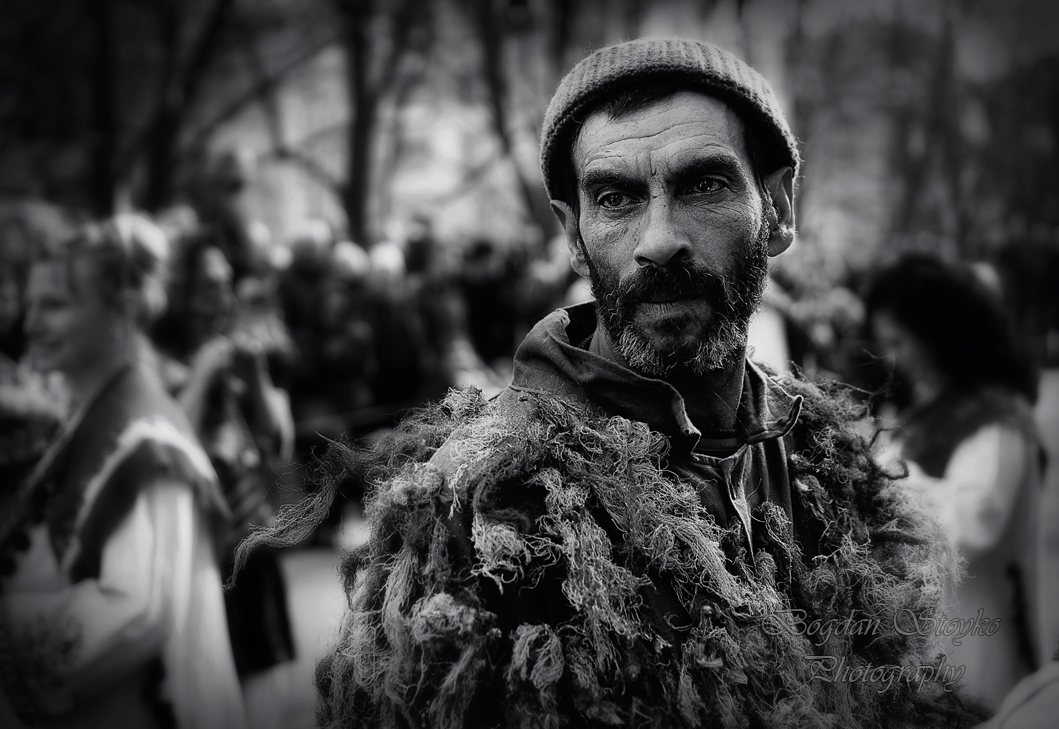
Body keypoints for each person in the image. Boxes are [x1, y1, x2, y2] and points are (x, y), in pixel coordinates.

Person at [250, 39, 986, 728]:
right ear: (573, 234)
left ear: (778, 209)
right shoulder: (486, 516)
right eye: (615, 198)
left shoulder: (823, 461)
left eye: (703, 185)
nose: (659, 240)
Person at [0, 213, 246, 728]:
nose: (30, 324)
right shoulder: (92, 417)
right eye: (31, 304)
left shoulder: (145, 441)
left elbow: (133, 611)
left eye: (55, 305)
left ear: (123, 312)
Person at [865, 252, 1045, 711]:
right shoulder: (932, 404)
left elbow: (971, 527)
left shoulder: (996, 418)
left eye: (899, 341)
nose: (893, 358)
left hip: (977, 642)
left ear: (936, 332)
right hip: (930, 637)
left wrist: (883, 480)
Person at [151, 230, 297, 729]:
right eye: (208, 287)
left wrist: (255, 378)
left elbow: (275, 445)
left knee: (268, 700)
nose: (222, 298)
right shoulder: (152, 362)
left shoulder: (229, 349)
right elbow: (166, 449)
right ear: (178, 292)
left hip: (251, 544)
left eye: (225, 284)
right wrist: (203, 374)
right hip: (198, 559)